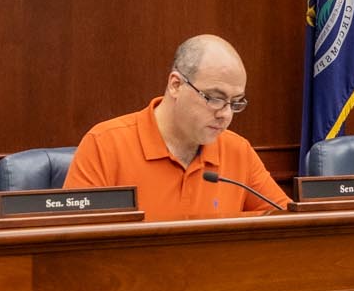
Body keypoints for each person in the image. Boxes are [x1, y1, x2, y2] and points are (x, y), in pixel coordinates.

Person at [65, 35, 290, 220]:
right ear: (176, 85)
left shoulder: (237, 150)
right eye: (214, 98)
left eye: (236, 102)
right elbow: (75, 243)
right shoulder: (105, 145)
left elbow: (287, 224)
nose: (225, 114)